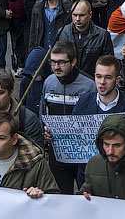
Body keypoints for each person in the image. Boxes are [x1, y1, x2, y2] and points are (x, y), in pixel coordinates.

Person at [40, 40, 96, 192]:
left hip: (83, 153)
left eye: (61, 62)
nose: (56, 67)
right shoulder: (49, 82)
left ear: (73, 62)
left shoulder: (90, 85)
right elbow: (43, 113)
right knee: (60, 196)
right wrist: (46, 138)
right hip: (57, 151)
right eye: (53, 62)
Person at [25, 0, 73, 65]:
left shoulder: (67, 8)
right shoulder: (38, 7)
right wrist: (31, 55)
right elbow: (33, 34)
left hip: (61, 55)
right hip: (42, 53)